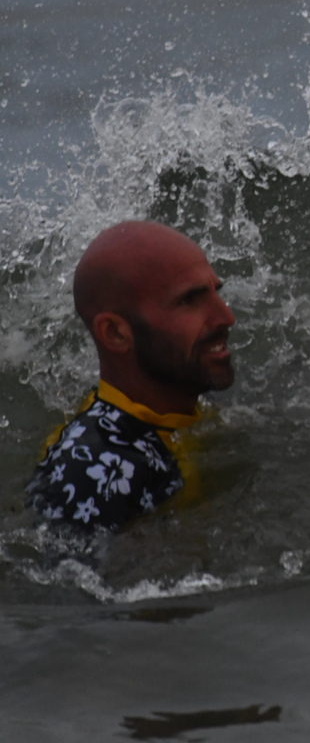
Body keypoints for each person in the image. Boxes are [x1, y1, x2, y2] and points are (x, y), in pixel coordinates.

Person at [27, 221, 236, 531]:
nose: (226, 317)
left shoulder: (166, 416)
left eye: (215, 293)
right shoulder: (97, 472)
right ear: (115, 333)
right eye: (189, 300)